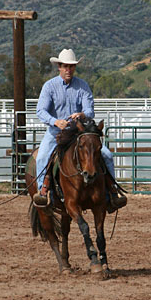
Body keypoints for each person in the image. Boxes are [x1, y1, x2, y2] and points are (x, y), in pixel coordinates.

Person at [33, 48, 127, 213]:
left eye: (71, 67)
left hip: (79, 133)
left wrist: (83, 114)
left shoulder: (82, 86)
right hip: (56, 133)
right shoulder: (50, 86)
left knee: (106, 155)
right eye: (65, 66)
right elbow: (41, 110)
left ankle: (112, 192)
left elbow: (90, 111)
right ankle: (43, 192)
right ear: (59, 67)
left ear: (74, 68)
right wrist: (56, 122)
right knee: (42, 157)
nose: (68, 70)